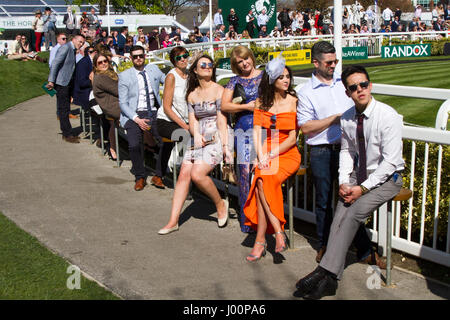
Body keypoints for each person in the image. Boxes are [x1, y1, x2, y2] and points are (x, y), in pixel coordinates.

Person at [294, 65, 404, 300]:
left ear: (370, 85)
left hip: (388, 178)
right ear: (347, 93)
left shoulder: (388, 116)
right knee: (340, 211)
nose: (360, 90)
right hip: (359, 177)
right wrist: (345, 182)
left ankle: (325, 272)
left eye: (363, 85)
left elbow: (390, 163)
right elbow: (347, 151)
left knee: (353, 212)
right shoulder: (347, 118)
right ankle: (330, 278)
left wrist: (361, 188)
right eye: (353, 87)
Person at [157, 54, 230, 235]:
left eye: (209, 64)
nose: (207, 66)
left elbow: (222, 120)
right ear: (195, 71)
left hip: (218, 134)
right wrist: (196, 135)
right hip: (198, 136)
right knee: (184, 174)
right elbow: (193, 120)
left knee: (198, 174)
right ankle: (173, 220)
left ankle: (220, 204)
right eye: (202, 64)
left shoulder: (219, 90)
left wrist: (225, 146)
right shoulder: (192, 94)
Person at [296, 41, 354, 263]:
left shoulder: (344, 82)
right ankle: (323, 245)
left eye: (335, 61)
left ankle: (358, 248)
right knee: (323, 201)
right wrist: (334, 119)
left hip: (348, 150)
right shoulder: (306, 91)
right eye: (329, 62)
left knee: (350, 199)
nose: (333, 65)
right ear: (315, 62)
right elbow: (305, 127)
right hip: (320, 151)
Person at [243, 56, 300, 262]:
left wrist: (269, 155)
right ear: (272, 80)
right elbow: (257, 133)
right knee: (261, 177)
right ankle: (276, 232)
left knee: (261, 180)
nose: (286, 80)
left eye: (288, 77)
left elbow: (293, 138)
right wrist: (261, 155)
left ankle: (264, 239)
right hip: (266, 150)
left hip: (287, 152)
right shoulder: (261, 101)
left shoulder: (293, 100)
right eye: (281, 77)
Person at [221, 46, 263, 233]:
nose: (245, 63)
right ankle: (248, 219)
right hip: (243, 129)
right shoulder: (234, 81)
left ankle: (265, 218)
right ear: (235, 64)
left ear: (251, 58)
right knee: (244, 172)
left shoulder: (266, 76)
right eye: (240, 61)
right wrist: (247, 107)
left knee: (263, 172)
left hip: (264, 128)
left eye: (246, 59)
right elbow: (224, 105)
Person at [118, 45, 166, 191]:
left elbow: (170, 81)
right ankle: (140, 176)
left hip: (154, 111)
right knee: (134, 144)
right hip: (134, 113)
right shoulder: (125, 76)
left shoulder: (153, 70)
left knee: (165, 141)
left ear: (144, 56)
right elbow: (123, 103)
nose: (138, 58)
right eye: (135, 56)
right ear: (131, 58)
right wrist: (136, 119)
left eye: (141, 55)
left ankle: (158, 175)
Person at [151, 47, 190, 189]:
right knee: (186, 136)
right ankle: (182, 177)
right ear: (173, 61)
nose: (183, 59)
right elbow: (167, 107)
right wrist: (185, 126)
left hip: (183, 119)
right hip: (166, 120)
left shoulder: (189, 75)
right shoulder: (171, 77)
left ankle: (158, 174)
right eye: (179, 58)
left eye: (185, 56)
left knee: (168, 146)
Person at [47, 34, 86, 143]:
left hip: (67, 82)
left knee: (65, 108)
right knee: (63, 109)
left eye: (82, 42)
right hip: (62, 83)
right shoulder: (66, 48)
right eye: (79, 41)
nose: (81, 44)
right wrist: (51, 80)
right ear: (73, 40)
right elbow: (55, 63)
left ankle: (68, 132)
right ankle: (67, 134)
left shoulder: (72, 49)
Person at [92, 53, 122, 160]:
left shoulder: (109, 73)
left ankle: (113, 147)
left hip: (115, 103)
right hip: (112, 106)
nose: (104, 64)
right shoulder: (101, 77)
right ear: (96, 65)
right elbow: (118, 90)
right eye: (100, 62)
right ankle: (147, 144)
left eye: (105, 61)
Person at [73, 46, 97, 129]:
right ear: (95, 53)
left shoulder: (92, 61)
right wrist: (95, 82)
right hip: (83, 92)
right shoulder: (83, 63)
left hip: (90, 88)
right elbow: (82, 82)